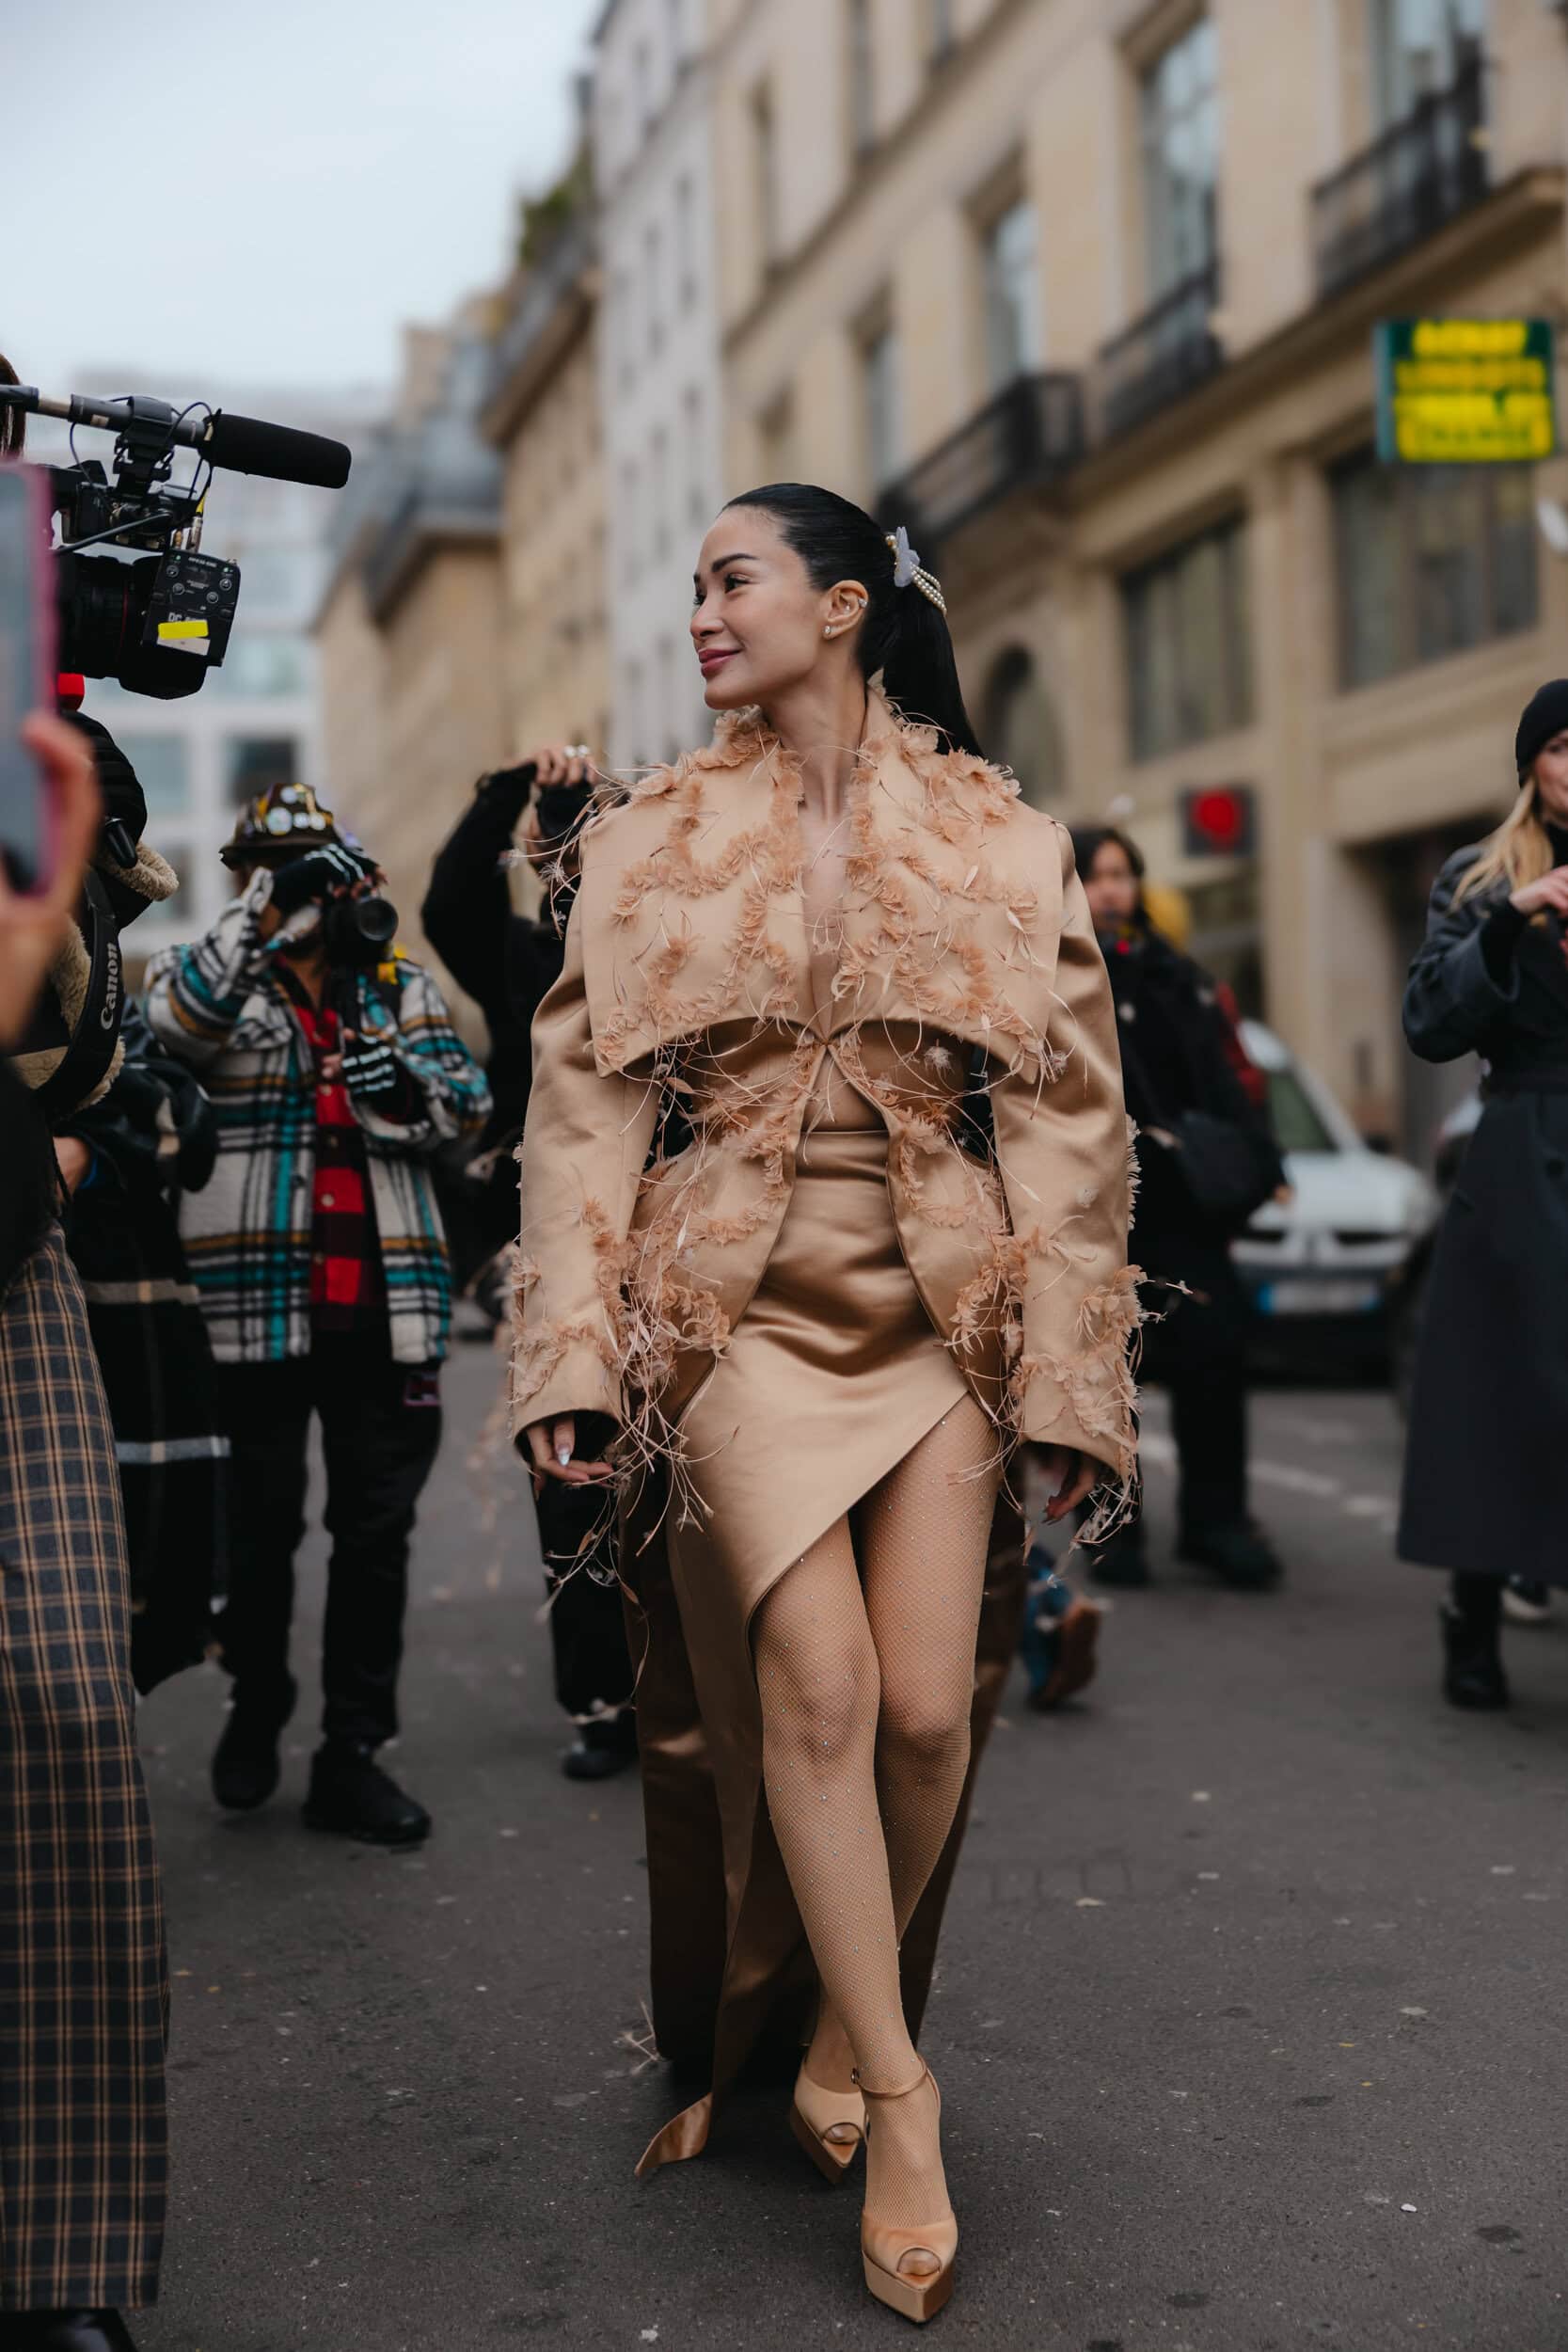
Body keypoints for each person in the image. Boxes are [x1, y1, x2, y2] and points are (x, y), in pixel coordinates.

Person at [512, 485, 1135, 2323]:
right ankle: (898, 2083)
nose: (700, 613)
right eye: (692, 586)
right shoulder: (646, 841)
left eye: (733, 579)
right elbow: (577, 1111)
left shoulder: (993, 837)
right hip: (730, 1313)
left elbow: (1071, 1121)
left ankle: (835, 2031)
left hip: (937, 1305)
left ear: (843, 605)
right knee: (819, 1689)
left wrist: (1073, 1378)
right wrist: (564, 1349)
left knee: (929, 1711)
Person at [145, 784, 490, 1844]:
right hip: (249, 1308)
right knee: (255, 1532)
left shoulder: (394, 981)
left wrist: (398, 1093)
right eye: (279, 867)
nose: (303, 886)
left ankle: (352, 1750)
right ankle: (258, 1704)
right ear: (253, 874)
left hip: (385, 1305)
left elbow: (463, 1110)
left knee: (372, 1532)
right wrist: (265, 916)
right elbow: (168, 1031)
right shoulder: (217, 975)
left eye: (318, 865)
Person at [1, 708, 167, 2352]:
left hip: (10, 1255)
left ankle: (56, 2252)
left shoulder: (37, 730)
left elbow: (100, 1035)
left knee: (61, 1711)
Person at [423, 750, 637, 1781]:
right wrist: (505, 787)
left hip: (693, 1243)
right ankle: (602, 1699)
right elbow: (450, 902)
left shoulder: (674, 951)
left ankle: (709, 1682)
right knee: (574, 1470)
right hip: (560, 1250)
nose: (573, 858)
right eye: (557, 845)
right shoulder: (524, 960)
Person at [1400, 679, 1568, 1708]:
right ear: (1531, 768)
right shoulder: (1477, 877)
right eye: (1559, 747)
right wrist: (1509, 922)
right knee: (1498, 1392)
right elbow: (1427, 1021)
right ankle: (1469, 1608)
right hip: (1522, 1150)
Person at [1072, 825, 1284, 1591]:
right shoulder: (1052, 976)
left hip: (1185, 1209)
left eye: (1122, 874)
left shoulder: (1179, 978)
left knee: (1213, 1359)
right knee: (1103, 1378)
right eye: (1095, 875)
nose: (1111, 889)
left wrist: (1255, 1163)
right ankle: (1112, 1528)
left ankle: (1216, 1522)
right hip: (1096, 1213)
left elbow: (1231, 1083)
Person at [58, 1000, 227, 1694]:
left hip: (97, 1320)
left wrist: (85, 1153)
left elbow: (182, 1120)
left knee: (84, 1614)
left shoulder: (77, 970)